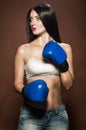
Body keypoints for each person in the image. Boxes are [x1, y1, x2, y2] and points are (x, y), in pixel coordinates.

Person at [14, 3, 74, 130]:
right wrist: (26, 91)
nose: (32, 23)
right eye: (30, 19)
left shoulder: (64, 48)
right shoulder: (24, 50)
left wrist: (62, 64)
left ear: (48, 19)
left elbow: (68, 84)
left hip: (58, 116)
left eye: (37, 18)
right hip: (31, 115)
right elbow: (17, 83)